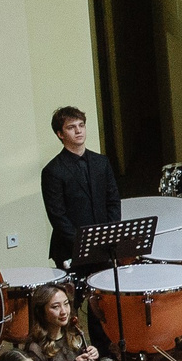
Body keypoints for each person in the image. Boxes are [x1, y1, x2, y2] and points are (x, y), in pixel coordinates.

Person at [39, 104, 122, 268]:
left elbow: (113, 201)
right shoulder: (53, 170)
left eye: (81, 125)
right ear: (60, 134)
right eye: (71, 127)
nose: (78, 131)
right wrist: (84, 242)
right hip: (70, 248)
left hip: (104, 245)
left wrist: (109, 235)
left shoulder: (101, 162)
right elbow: (58, 215)